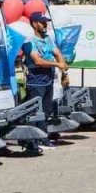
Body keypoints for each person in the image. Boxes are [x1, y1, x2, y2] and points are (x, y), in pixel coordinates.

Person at [23, 12, 68, 152]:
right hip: (36, 82)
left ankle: (44, 136)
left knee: (47, 110)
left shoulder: (48, 39)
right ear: (35, 24)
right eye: (43, 23)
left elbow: (57, 53)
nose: (46, 25)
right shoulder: (29, 42)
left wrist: (64, 69)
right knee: (37, 112)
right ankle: (35, 140)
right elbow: (38, 61)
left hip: (48, 80)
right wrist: (56, 65)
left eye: (46, 22)